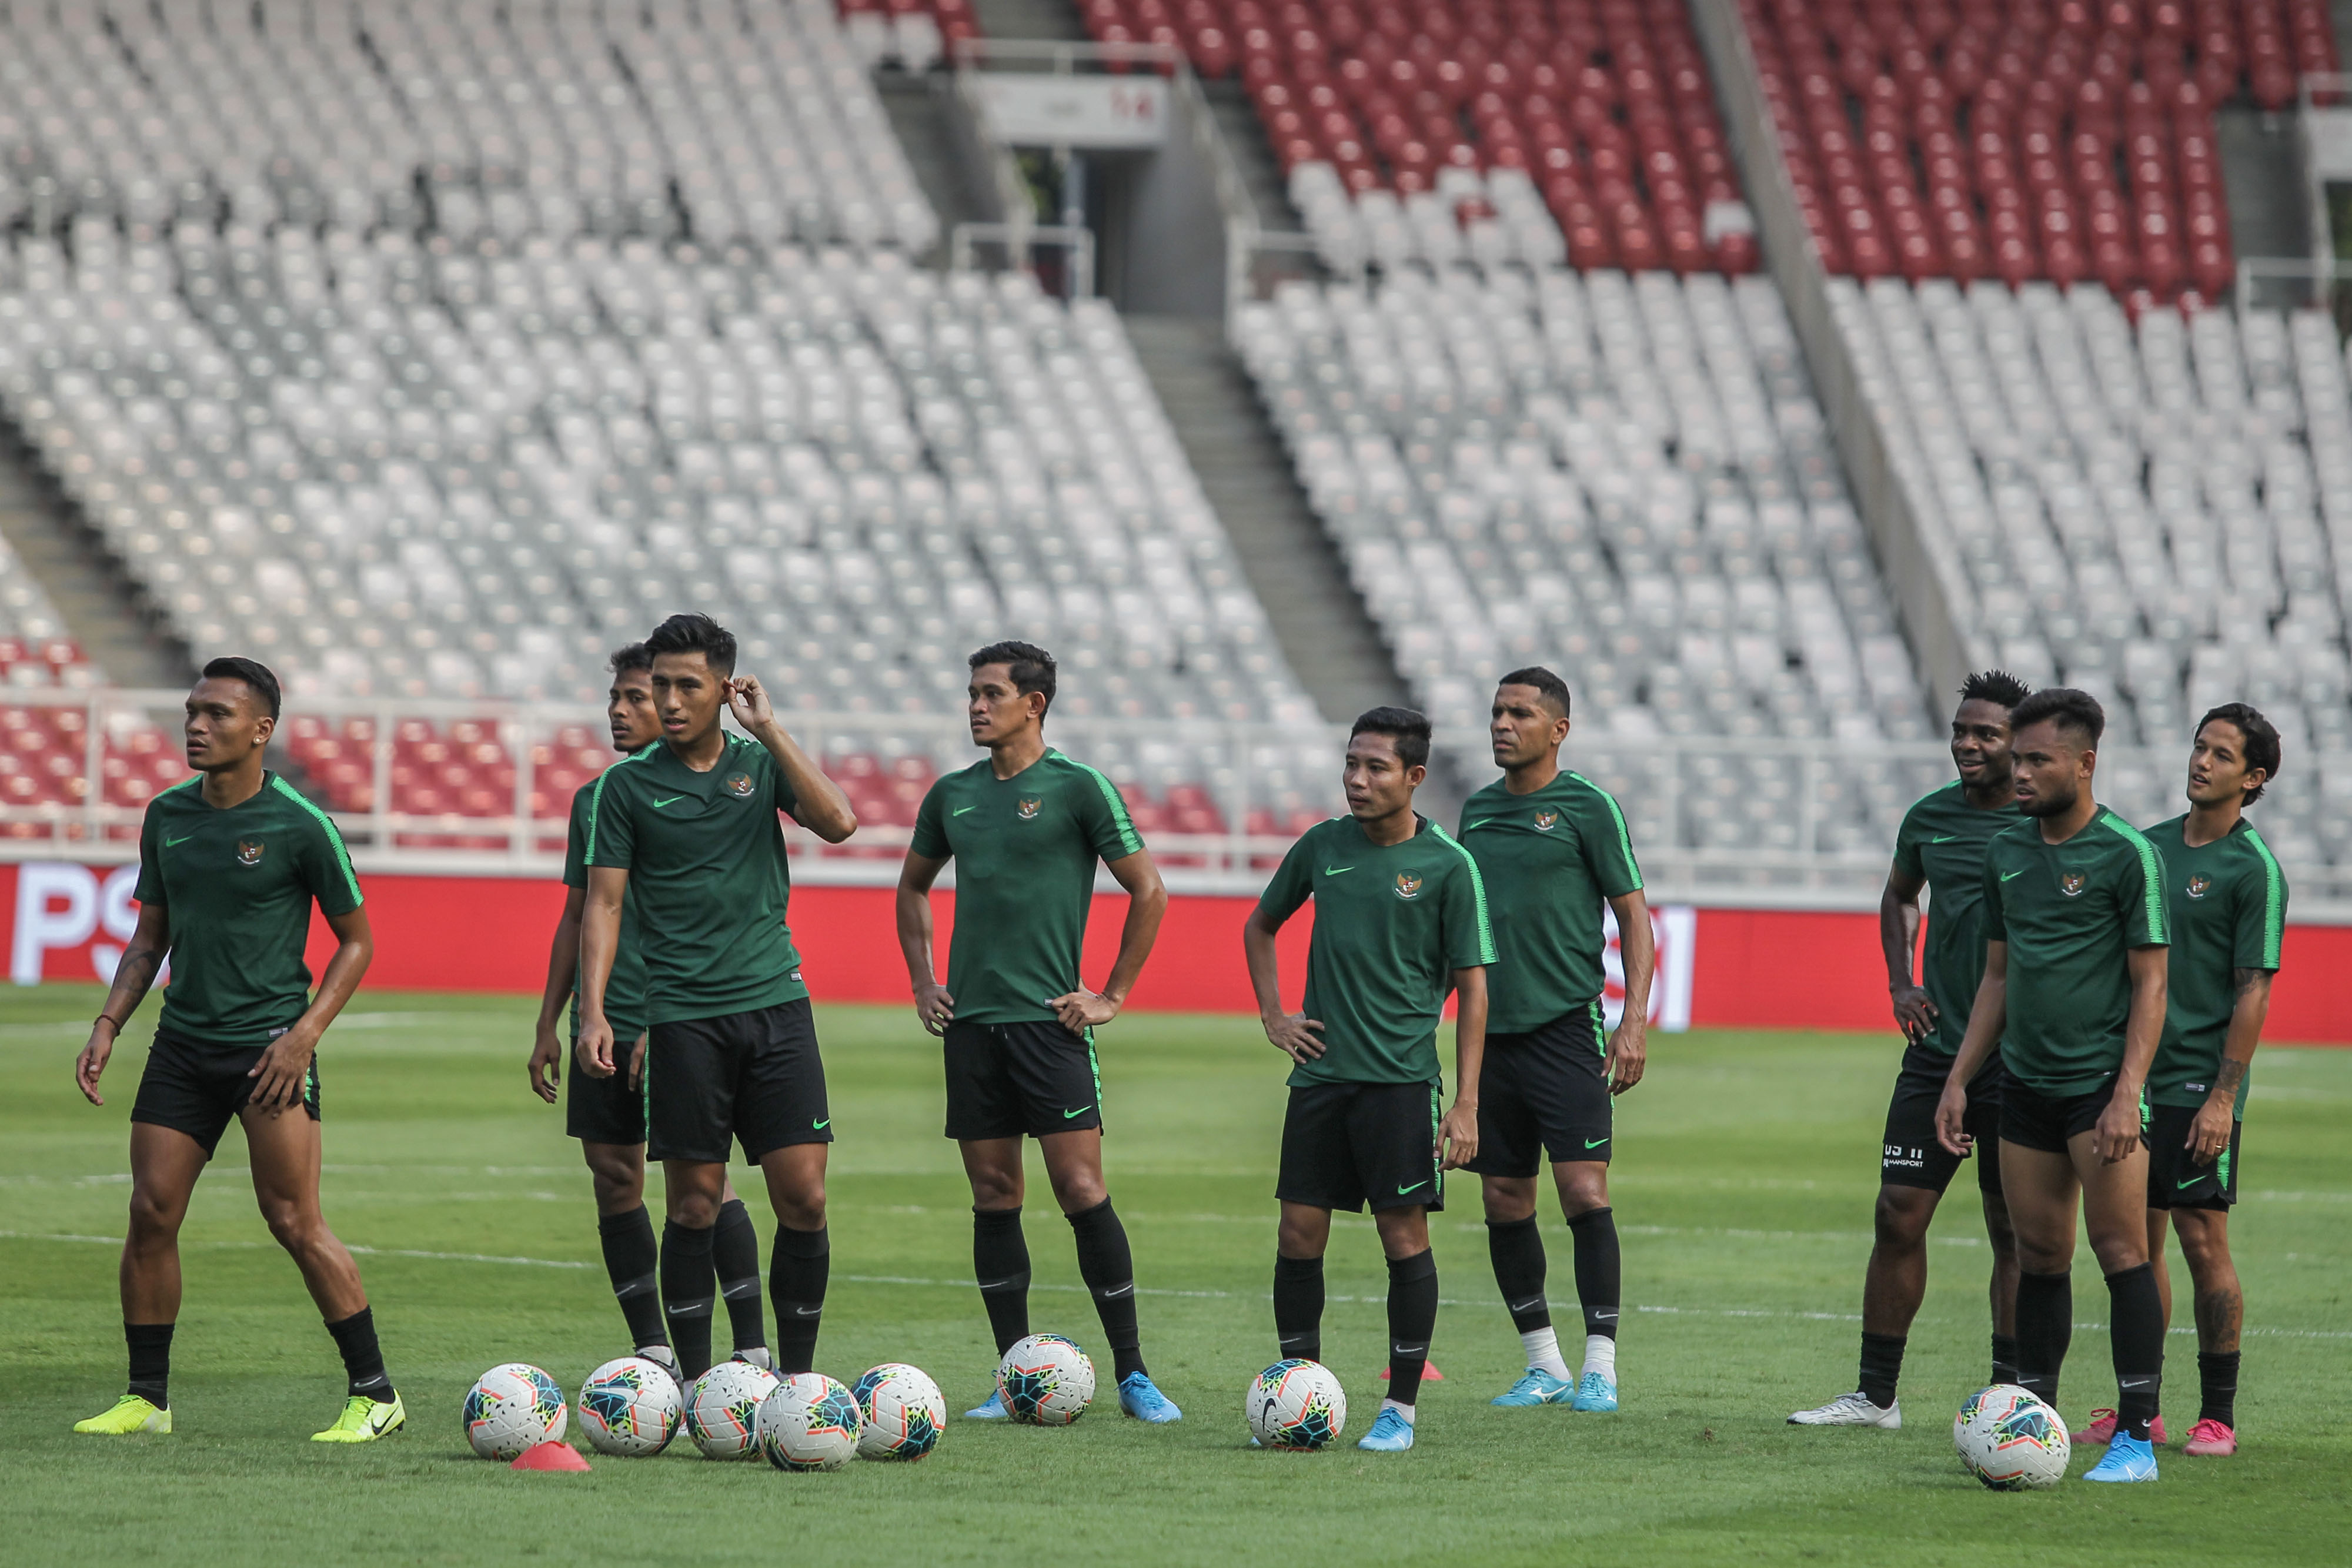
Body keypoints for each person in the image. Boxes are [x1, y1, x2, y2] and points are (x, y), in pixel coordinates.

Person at [72, 657, 399, 1442]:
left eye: (218, 712)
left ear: (261, 728)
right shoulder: (167, 815)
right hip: (182, 1044)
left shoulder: (299, 822)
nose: (197, 723)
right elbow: (150, 936)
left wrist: (304, 1034)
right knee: (150, 1211)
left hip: (268, 1052)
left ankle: (376, 1391)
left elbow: (358, 942)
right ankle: (147, 1398)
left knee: (293, 1218)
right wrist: (110, 1021)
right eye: (193, 710)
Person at [895, 641, 1182, 1423]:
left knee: (1081, 1189)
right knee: (994, 1194)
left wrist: (1112, 993)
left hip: (1051, 1025)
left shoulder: (1078, 788)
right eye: (972, 691)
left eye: (991, 692)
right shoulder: (951, 794)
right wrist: (924, 979)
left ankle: (1133, 1372)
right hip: (974, 1029)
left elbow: (1149, 890)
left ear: (1035, 703)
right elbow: (912, 886)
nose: (976, 705)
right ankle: (1011, 1375)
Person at [577, 613, 856, 1380]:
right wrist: (594, 1010)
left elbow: (839, 822)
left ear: (725, 687)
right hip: (681, 1018)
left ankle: (797, 1381)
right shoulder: (625, 789)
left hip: (776, 1005)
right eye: (660, 683)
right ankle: (699, 1384)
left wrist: (770, 730)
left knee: (803, 1195)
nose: (667, 699)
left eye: (686, 684)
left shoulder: (759, 765)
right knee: (694, 1203)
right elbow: (601, 906)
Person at [1934, 688, 2170, 1484]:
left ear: (2085, 762)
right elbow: (1997, 976)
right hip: (2024, 1085)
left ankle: (2136, 1436)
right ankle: (2035, 1415)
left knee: (2121, 1249)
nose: (2020, 770)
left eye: (2038, 758)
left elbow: (2152, 986)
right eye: (2018, 756)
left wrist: (2126, 1091)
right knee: (2039, 1253)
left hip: (2099, 1087)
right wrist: (1960, 1078)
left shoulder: (2126, 854)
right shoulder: (2007, 850)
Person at [1244, 706, 1493, 1453]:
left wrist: (1466, 1104)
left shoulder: (1450, 865)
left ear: (1414, 778)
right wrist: (1274, 1017)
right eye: (1351, 764)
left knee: (1401, 1236)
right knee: (1298, 1233)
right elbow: (1261, 925)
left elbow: (1474, 987)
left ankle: (1400, 1410)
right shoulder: (1323, 846)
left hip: (1399, 1083)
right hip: (1320, 1080)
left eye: (1375, 767)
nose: (1357, 779)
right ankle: (1299, 1392)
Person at [1792, 671, 2029, 1429]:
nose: (1966, 743)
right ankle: (1875, 1396)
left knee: (2014, 1230)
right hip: (1937, 1050)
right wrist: (1900, 982)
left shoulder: (2042, 826)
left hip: (2022, 1059)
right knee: (1898, 1214)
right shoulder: (1928, 817)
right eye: (1960, 730)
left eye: (1984, 734)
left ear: (2018, 745)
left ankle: (2009, 1397)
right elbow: (1899, 895)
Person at [527, 643, 769, 1378]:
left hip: (680, 1011)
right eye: (620, 699)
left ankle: (751, 1347)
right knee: (613, 1175)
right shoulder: (599, 798)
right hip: (606, 1015)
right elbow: (578, 915)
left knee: (704, 1184)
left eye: (639, 698)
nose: (625, 712)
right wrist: (552, 1020)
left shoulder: (694, 794)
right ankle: (653, 1347)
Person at [2073, 705, 2283, 1460]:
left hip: (2199, 1085)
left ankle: (2217, 1416)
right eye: (2199, 747)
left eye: (2221, 755)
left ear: (2252, 778)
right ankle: (2144, 1410)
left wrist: (2225, 1096)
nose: (2201, 762)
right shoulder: (2150, 848)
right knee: (2136, 1241)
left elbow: (2252, 989)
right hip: (2133, 1078)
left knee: (2201, 1237)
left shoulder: (2252, 869)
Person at [1457, 668, 1651, 1413]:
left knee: (1583, 1192)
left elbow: (1634, 917)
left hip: (1566, 1029)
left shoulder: (1587, 807)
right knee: (1505, 1200)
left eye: (1520, 714)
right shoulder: (1474, 813)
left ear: (1557, 730)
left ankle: (1600, 1364)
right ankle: (1544, 1365)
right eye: (1497, 712)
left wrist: (1631, 1020)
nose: (1503, 724)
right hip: (1489, 1039)